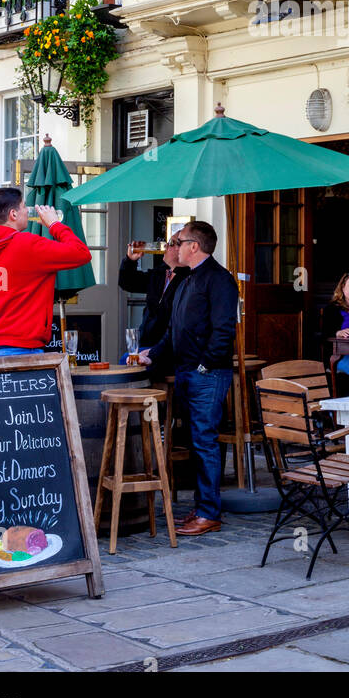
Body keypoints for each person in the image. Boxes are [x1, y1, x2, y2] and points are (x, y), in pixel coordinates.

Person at [140, 219, 238, 536]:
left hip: (205, 375)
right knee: (196, 443)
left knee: (205, 442)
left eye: (178, 241)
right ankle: (201, 507)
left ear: (194, 246)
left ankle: (209, 513)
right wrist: (152, 354)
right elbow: (173, 331)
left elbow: (223, 330)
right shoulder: (185, 280)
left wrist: (204, 366)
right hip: (185, 371)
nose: (174, 246)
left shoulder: (219, 280)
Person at [0, 187, 92, 357]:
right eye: (24, 206)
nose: (28, 210)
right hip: (23, 350)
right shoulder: (29, 245)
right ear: (13, 214)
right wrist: (54, 224)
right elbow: (81, 253)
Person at [119, 231, 189, 376]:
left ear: (182, 250)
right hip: (146, 343)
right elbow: (128, 283)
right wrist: (130, 260)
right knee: (125, 362)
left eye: (170, 244)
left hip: (169, 349)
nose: (165, 247)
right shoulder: (161, 272)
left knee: (130, 368)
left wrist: (154, 351)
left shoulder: (188, 279)